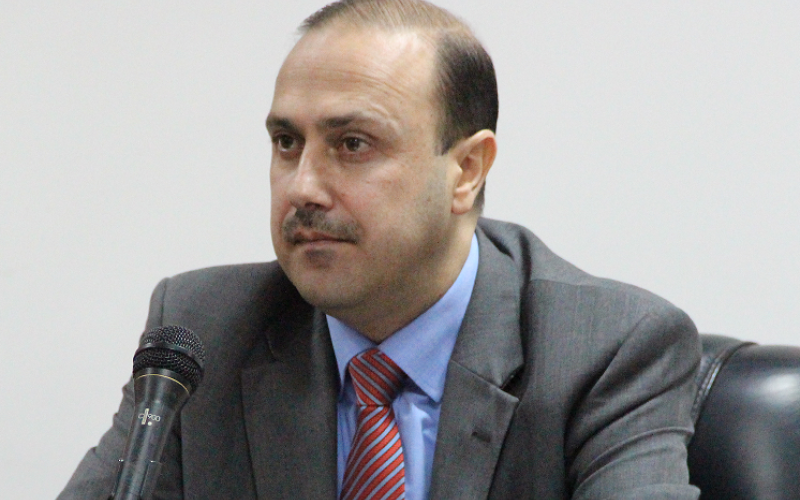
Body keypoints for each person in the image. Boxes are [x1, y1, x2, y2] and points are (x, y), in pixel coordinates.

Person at [59, 0, 701, 498]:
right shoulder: (206, 330)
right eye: (287, 143)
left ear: (467, 170)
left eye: (352, 145)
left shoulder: (606, 350)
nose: (302, 187)